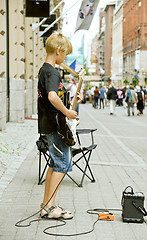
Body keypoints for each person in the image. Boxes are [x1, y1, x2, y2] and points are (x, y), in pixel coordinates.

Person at [37, 32, 82, 219]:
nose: (66, 58)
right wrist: (67, 112)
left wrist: (74, 103)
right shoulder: (52, 72)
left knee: (54, 164)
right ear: (58, 51)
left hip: (51, 125)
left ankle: (46, 205)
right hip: (55, 127)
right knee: (62, 165)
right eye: (65, 54)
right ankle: (50, 207)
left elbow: (54, 98)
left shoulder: (45, 70)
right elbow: (52, 97)